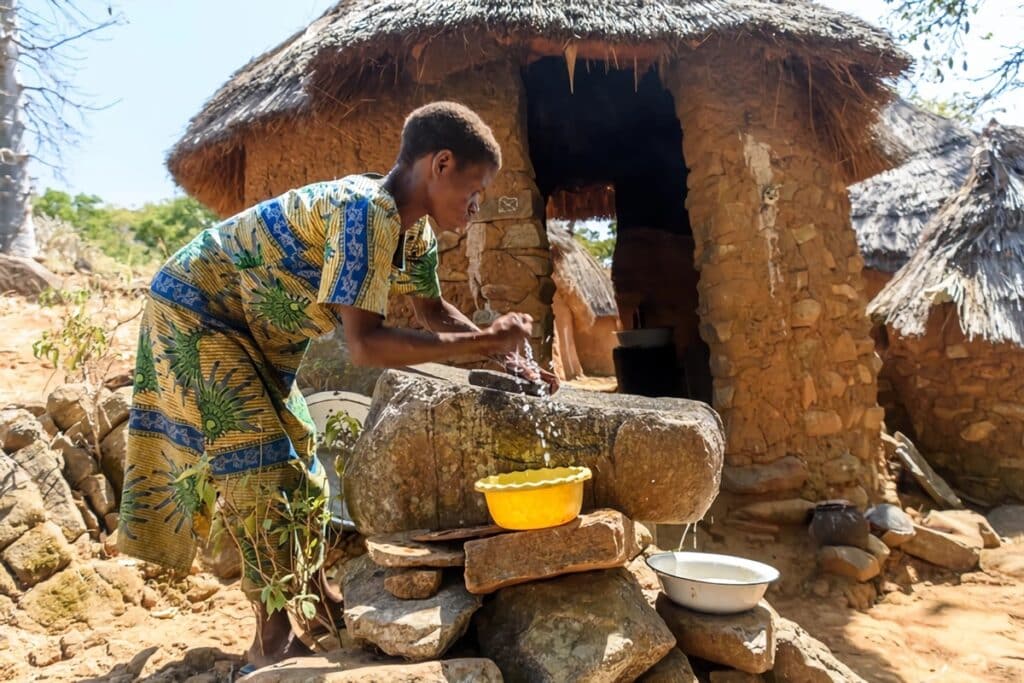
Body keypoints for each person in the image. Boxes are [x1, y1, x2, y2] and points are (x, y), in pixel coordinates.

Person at [117, 101, 557, 667]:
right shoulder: (366, 212)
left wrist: (509, 362)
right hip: (199, 312)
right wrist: (484, 343)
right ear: (440, 164)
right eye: (475, 189)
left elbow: (434, 313)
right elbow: (365, 345)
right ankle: (270, 637)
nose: (477, 207)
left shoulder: (413, 232)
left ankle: (317, 601)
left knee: (303, 451)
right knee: (262, 465)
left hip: (251, 336)